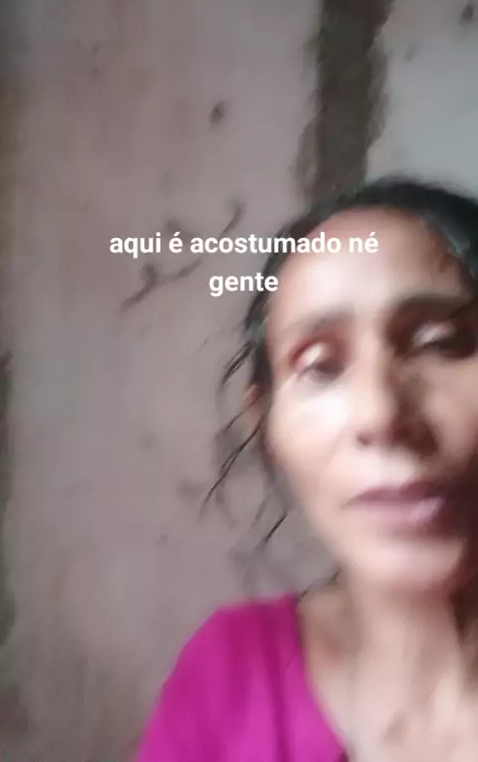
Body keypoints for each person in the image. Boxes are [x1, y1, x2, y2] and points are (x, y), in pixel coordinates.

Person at [133, 177, 478, 761]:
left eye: (440, 342)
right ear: (266, 428)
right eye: (319, 366)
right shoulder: (231, 678)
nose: (381, 415)